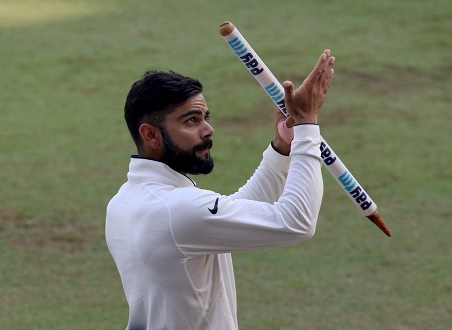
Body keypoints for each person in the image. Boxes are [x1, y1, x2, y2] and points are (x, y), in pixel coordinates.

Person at [105, 50, 335, 330]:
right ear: (150, 135)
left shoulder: (124, 201)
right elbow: (297, 222)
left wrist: (284, 144)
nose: (208, 129)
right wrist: (307, 126)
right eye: (192, 120)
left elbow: (231, 211)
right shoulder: (176, 209)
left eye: (205, 117)